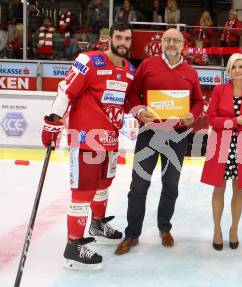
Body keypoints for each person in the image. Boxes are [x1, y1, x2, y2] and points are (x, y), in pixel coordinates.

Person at [40, 23, 134, 270]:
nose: (123, 42)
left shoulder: (129, 70)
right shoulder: (89, 60)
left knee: (104, 185)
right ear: (109, 38)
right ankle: (74, 246)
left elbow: (127, 103)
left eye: (127, 38)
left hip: (110, 141)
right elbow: (66, 90)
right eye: (119, 37)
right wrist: (53, 121)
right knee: (82, 192)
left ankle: (98, 223)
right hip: (85, 140)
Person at [115, 28, 204, 255]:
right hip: (149, 133)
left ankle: (164, 228)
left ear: (183, 44)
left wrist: (193, 115)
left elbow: (198, 101)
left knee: (171, 185)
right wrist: (138, 110)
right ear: (162, 43)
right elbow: (132, 94)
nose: (171, 43)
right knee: (139, 185)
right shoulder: (147, 65)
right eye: (168, 40)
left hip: (177, 136)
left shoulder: (190, 72)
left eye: (176, 40)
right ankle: (132, 234)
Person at [201, 53, 242, 250]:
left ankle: (234, 229)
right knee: (219, 187)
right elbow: (212, 119)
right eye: (234, 66)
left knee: (239, 187)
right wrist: (234, 122)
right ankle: (217, 229)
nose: (237, 70)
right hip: (221, 144)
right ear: (229, 70)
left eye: (241, 67)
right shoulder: (219, 90)